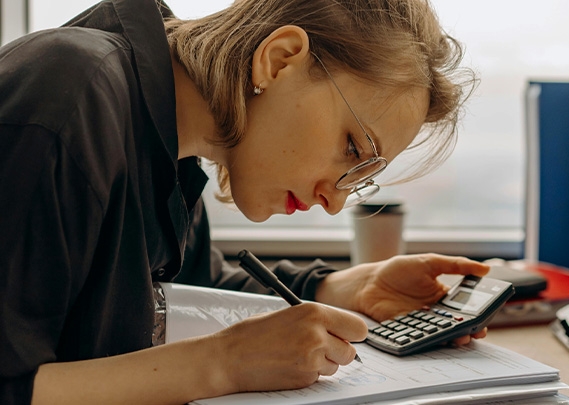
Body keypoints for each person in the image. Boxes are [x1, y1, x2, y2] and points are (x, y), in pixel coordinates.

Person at [0, 0, 489, 403]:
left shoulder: (172, 151)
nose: (335, 202)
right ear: (279, 60)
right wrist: (223, 363)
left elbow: (184, 287)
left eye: (361, 176)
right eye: (352, 150)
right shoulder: (70, 96)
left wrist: (336, 288)